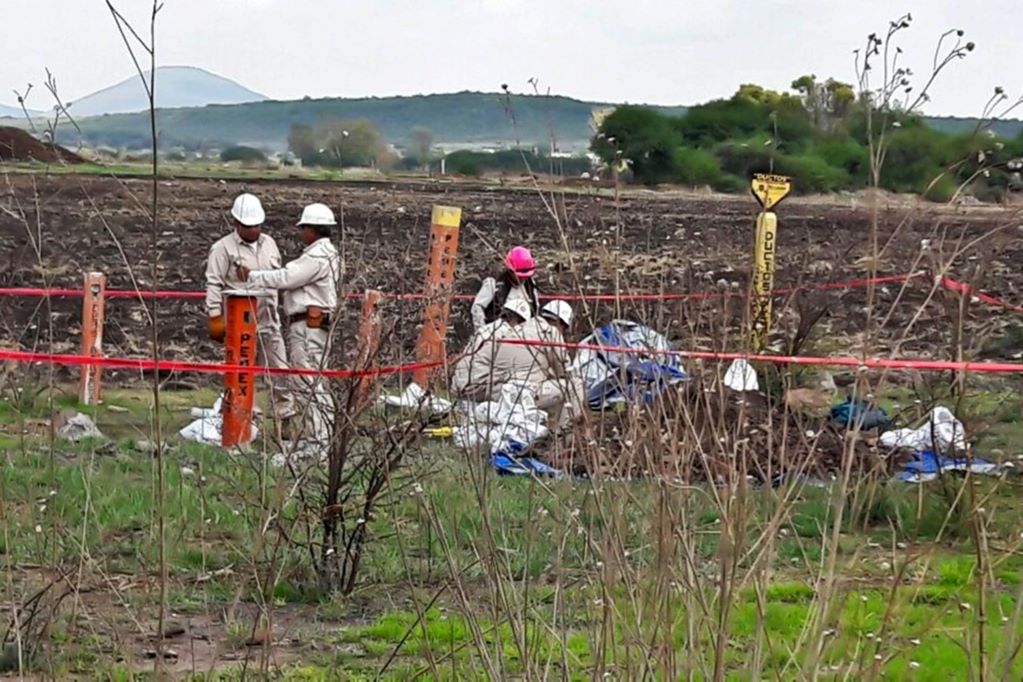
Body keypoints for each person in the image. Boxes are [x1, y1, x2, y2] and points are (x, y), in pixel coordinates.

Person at [237, 203, 341, 445]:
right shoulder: (328, 254)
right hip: (314, 324)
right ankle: (322, 436)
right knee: (314, 380)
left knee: (306, 381)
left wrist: (251, 276)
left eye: (303, 227)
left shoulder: (316, 257)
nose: (301, 232)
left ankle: (319, 440)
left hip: (307, 327)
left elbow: (286, 277)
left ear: (313, 229)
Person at [204, 192, 294, 423]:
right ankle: (246, 417)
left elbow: (278, 277)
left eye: (257, 225)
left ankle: (284, 416)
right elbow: (213, 282)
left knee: (279, 368)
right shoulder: (223, 249)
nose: (254, 230)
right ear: (236, 223)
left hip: (269, 321)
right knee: (243, 372)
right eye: (248, 226)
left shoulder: (270, 244)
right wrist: (215, 316)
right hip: (240, 326)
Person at [451, 297, 533, 402]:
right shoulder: (507, 336)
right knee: (519, 385)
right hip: (473, 389)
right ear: (520, 321)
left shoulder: (488, 328)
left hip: (458, 385)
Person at [470, 246, 541, 330]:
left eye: (526, 276)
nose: (523, 278)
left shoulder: (530, 284)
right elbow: (477, 308)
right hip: (497, 332)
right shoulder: (493, 283)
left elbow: (535, 308)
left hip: (523, 332)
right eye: (519, 276)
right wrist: (482, 332)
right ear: (510, 271)